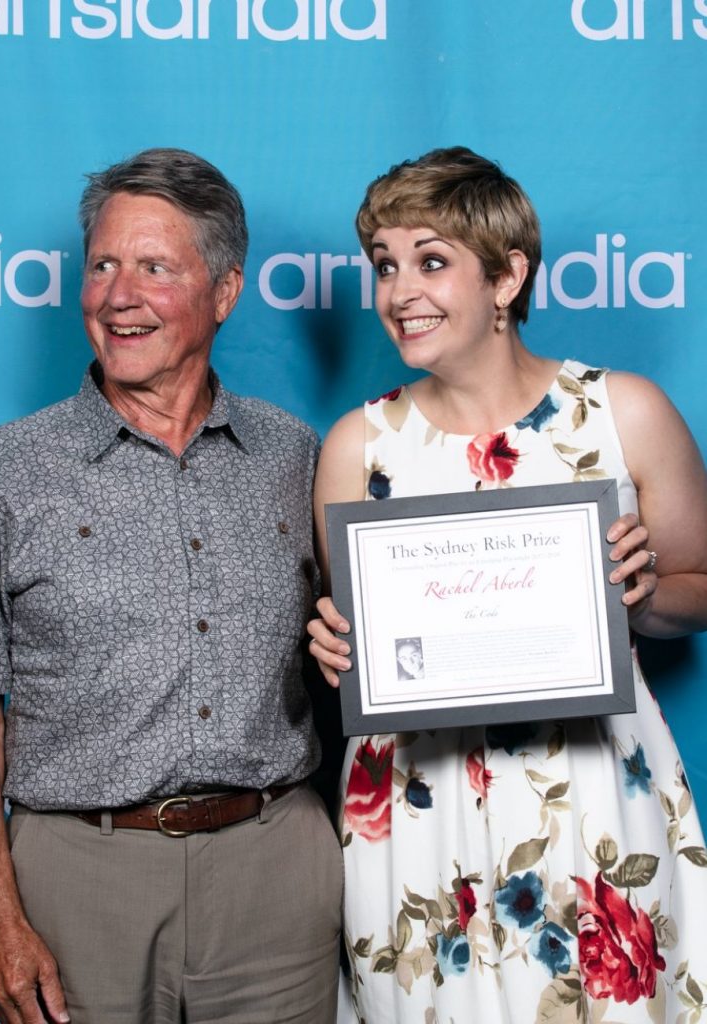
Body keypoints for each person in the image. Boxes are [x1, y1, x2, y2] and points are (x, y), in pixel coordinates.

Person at [308, 146, 707, 1022]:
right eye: (383, 265)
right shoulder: (356, 447)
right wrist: (335, 646)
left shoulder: (621, 413)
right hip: (417, 808)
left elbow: (699, 586)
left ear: (507, 276)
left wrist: (643, 594)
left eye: (431, 261)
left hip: (589, 790)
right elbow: (364, 648)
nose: (398, 291)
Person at [0, 148, 342, 1024]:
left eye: (154, 268)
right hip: (79, 880)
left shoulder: (295, 456)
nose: (118, 295)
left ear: (225, 292)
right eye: (101, 266)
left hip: (277, 876)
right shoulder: (8, 469)